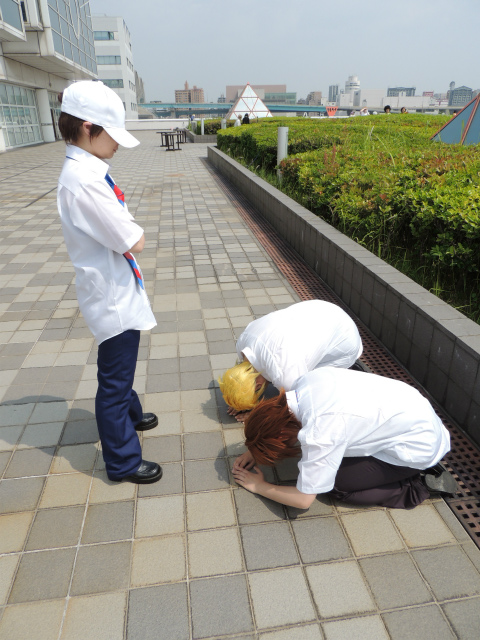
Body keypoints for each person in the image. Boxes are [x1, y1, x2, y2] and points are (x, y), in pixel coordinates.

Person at [57, 80, 162, 484]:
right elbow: (133, 239)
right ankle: (121, 462)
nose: (117, 144)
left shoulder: (85, 171)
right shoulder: (84, 181)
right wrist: (133, 230)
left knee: (121, 368)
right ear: (87, 127)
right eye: (112, 135)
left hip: (114, 288)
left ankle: (132, 415)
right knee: (114, 382)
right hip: (112, 298)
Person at [232, 368, 456, 510]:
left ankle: (413, 488)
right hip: (418, 414)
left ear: (281, 434)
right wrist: (256, 445)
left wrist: (259, 486)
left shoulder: (320, 432)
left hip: (418, 448)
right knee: (329, 465)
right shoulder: (305, 382)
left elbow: (303, 500)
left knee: (337, 484)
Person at [218, 300, 362, 420]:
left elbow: (299, 403)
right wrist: (238, 396)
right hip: (322, 308)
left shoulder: (284, 372)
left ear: (257, 386)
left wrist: (258, 412)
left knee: (314, 383)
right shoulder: (242, 344)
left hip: (345, 340)